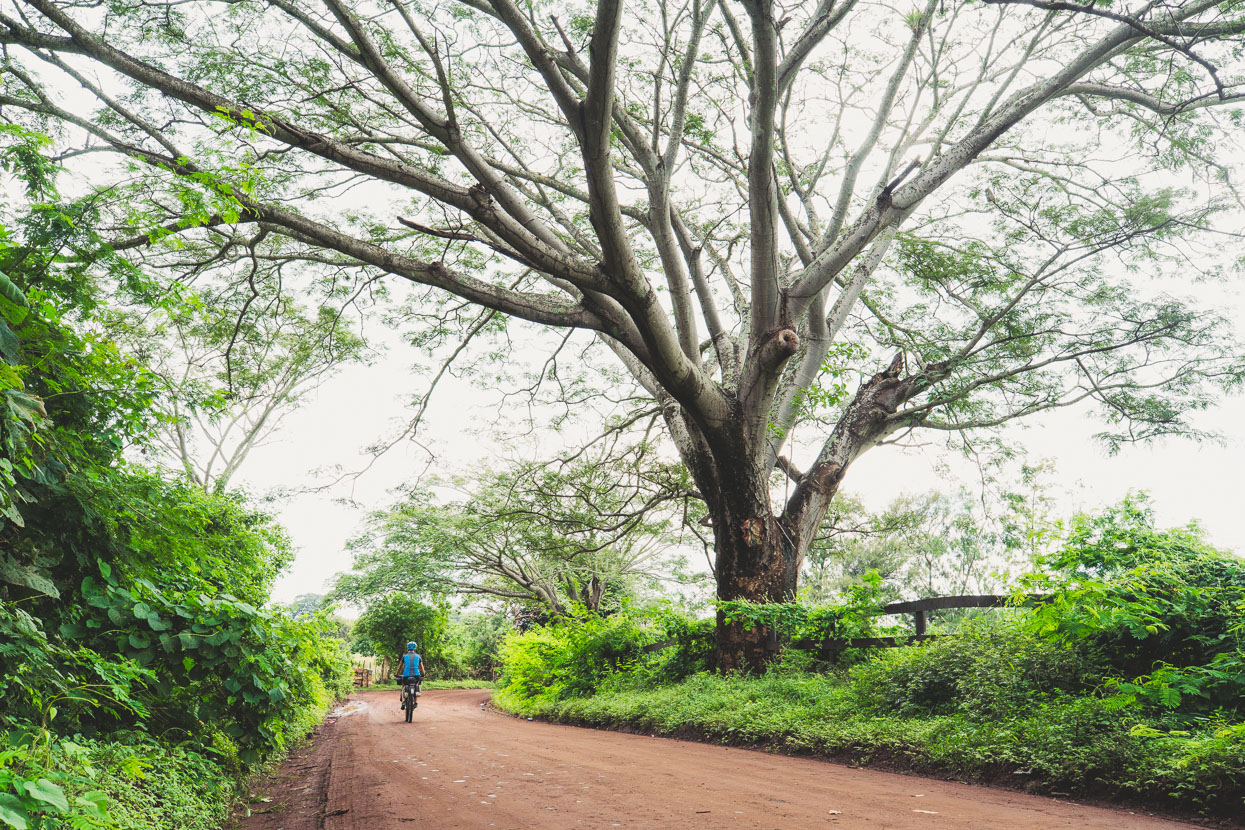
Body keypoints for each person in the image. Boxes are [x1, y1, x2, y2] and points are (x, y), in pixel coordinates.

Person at [398, 641, 423, 709]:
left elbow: (400, 667)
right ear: (415, 648)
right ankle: (416, 702)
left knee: (403, 686)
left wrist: (396, 673)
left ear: (408, 648)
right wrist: (423, 674)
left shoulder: (405, 657)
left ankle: (403, 701)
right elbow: (422, 668)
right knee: (417, 684)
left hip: (406, 676)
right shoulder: (418, 657)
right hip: (416, 676)